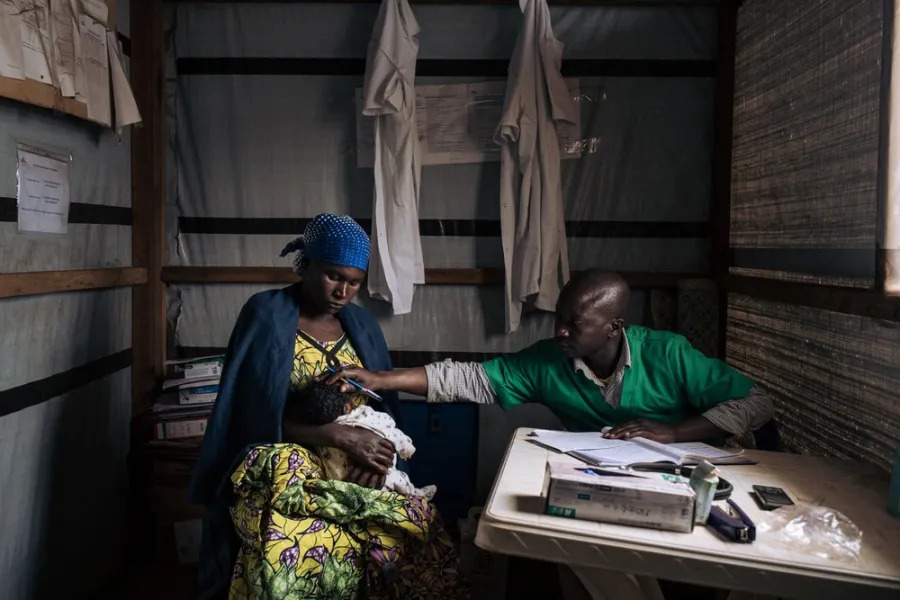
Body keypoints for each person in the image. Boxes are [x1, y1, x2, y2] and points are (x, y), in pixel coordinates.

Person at [189, 214, 465, 600]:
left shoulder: (362, 326)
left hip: (356, 460)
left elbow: (382, 411)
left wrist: (375, 456)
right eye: (334, 276)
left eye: (355, 282)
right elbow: (250, 414)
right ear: (307, 265)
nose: (343, 291)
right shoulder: (266, 315)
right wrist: (334, 435)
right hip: (284, 459)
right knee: (304, 544)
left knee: (419, 530)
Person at [330, 270, 773, 444]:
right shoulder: (548, 361)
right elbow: (467, 378)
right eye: (558, 318)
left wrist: (676, 431)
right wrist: (382, 379)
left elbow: (757, 403)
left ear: (615, 327)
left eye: (574, 324)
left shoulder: (669, 353)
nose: (559, 331)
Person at [285, 380, 437, 499]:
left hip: (341, 485)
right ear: (348, 405)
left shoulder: (318, 439)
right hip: (381, 477)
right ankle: (415, 494)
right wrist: (407, 449)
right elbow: (392, 432)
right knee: (399, 480)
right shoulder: (366, 415)